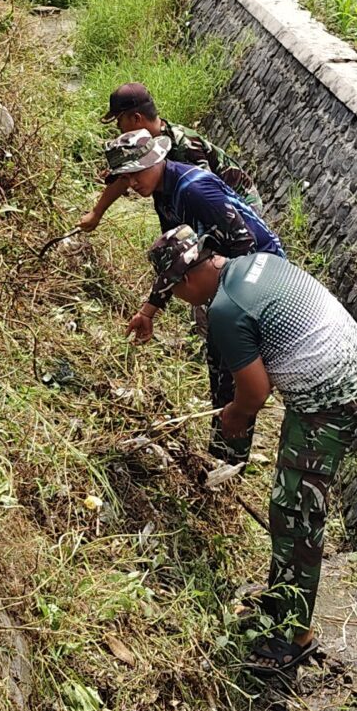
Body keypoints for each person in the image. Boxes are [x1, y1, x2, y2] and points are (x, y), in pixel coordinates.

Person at [147, 224, 357, 672]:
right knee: (287, 504)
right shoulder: (256, 263)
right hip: (353, 378)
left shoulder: (225, 309)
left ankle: (293, 636)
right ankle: (280, 599)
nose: (178, 299)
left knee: (295, 515)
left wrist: (234, 417)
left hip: (332, 403)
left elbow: (254, 393)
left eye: (173, 291)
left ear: (187, 278)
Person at [86, 129, 283, 466]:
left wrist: (228, 304)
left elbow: (246, 244)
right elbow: (176, 258)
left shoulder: (194, 190)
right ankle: (222, 455)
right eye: (125, 177)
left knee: (233, 372)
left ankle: (228, 463)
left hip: (259, 279)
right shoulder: (163, 192)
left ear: (156, 159)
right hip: (227, 280)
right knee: (220, 371)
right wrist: (149, 310)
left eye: (135, 173)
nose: (132, 183)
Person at [103, 82, 255, 193]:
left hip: (239, 196)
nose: (119, 128)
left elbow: (208, 191)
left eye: (120, 121)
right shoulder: (146, 147)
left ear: (136, 118)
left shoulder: (182, 145)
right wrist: (97, 213)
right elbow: (127, 175)